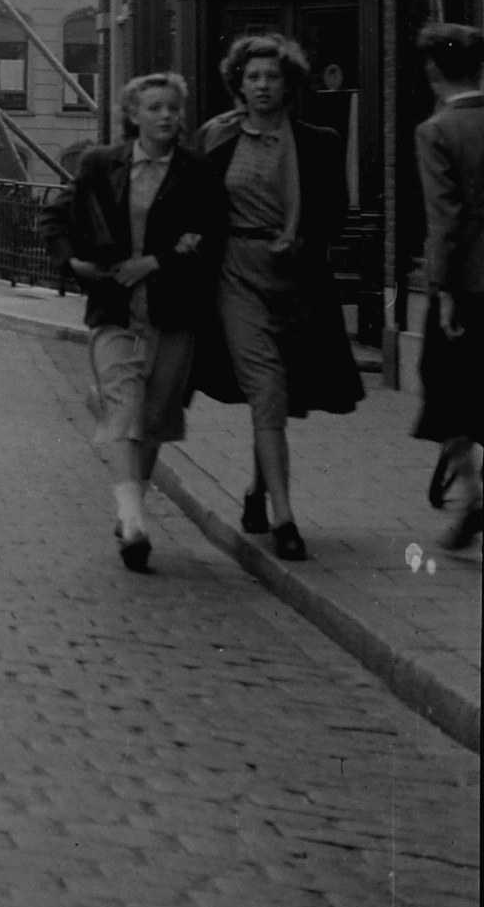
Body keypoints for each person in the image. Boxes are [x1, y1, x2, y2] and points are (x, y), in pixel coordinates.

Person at [198, 32, 362, 562]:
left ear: (289, 84)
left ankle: (255, 489)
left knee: (279, 395)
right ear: (239, 85)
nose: (263, 85)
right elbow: (193, 203)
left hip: (295, 282)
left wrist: (304, 237)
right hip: (236, 277)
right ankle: (285, 517)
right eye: (253, 77)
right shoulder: (216, 138)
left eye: (272, 76)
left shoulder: (319, 141)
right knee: (266, 387)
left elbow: (335, 212)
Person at [53, 73, 224, 571]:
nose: (166, 116)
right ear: (133, 115)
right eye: (154, 108)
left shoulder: (197, 171)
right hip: (114, 308)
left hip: (173, 311)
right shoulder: (100, 164)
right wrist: (72, 262)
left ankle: (132, 508)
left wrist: (157, 262)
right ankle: (132, 523)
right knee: (125, 407)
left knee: (154, 418)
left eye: (173, 107)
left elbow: (212, 236)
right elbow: (56, 218)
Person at [413, 23, 484, 551]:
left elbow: (446, 219)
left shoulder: (436, 131)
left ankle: (471, 495)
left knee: (447, 392)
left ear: (434, 71)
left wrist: (442, 292)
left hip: (467, 284)